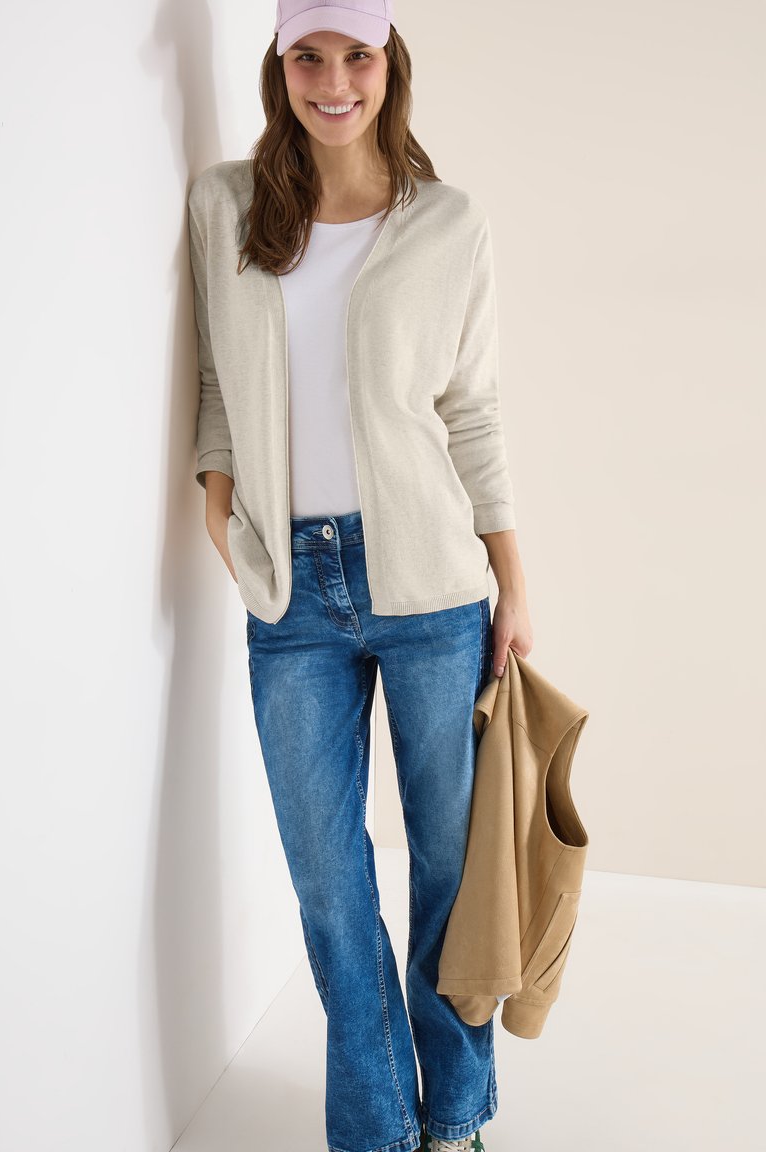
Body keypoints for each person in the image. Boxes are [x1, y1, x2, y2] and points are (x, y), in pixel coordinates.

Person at [187, 3, 534, 1150]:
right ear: (278, 65)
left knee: (449, 874)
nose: (331, 81)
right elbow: (217, 389)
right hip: (292, 595)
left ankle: (457, 1117)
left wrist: (513, 584)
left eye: (355, 56)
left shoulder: (448, 221)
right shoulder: (226, 206)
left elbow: (470, 412)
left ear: (390, 66)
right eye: (308, 56)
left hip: (433, 587)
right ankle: (378, 1129)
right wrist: (223, 514)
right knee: (331, 889)